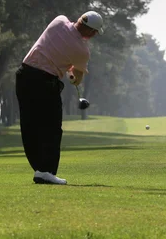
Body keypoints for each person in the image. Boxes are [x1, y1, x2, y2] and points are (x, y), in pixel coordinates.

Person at [15, 11, 104, 185]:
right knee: (52, 128)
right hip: (45, 83)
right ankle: (46, 171)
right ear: (92, 32)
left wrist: (66, 65)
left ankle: (39, 169)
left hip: (24, 75)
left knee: (29, 124)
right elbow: (76, 78)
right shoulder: (82, 51)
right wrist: (72, 74)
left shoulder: (59, 21)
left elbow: (55, 47)